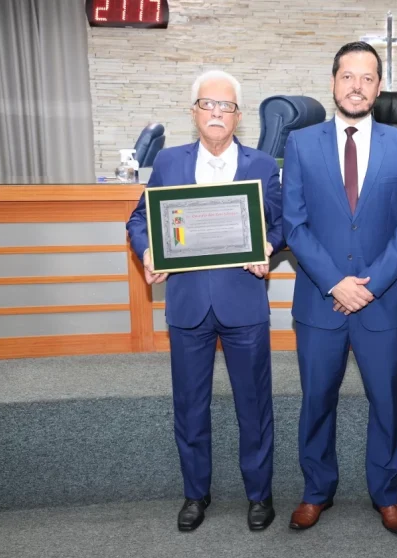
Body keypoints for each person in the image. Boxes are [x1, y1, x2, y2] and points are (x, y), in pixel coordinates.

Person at [126, 70, 284, 533]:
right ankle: (196, 493)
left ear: (238, 117)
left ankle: (260, 494)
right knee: (190, 406)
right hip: (189, 304)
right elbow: (139, 220)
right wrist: (148, 251)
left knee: (254, 406)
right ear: (194, 111)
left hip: (243, 304)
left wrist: (269, 249)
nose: (217, 113)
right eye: (208, 105)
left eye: (227, 107)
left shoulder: (261, 165)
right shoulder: (170, 163)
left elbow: (278, 224)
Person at [281, 41, 397, 535]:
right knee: (316, 400)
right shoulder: (300, 143)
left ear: (379, 87)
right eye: (348, 76)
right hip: (320, 303)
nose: (357, 86)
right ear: (333, 82)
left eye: (367, 78)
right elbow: (294, 226)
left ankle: (386, 494)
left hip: (382, 305)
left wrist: (370, 285)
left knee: (387, 403)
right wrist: (334, 283)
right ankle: (316, 491)